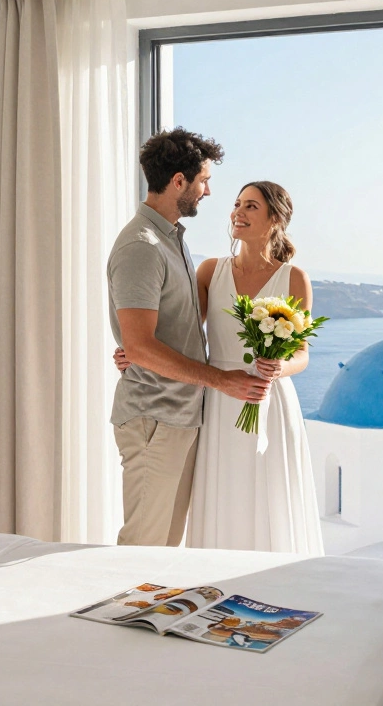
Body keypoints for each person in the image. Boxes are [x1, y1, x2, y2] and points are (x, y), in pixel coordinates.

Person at [116, 182, 324, 555]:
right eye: (237, 204)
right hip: (218, 402)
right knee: (223, 495)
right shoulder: (211, 271)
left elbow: (303, 354)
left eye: (251, 207)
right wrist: (133, 350)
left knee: (268, 498)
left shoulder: (294, 278)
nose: (238, 213)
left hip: (268, 404)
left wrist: (278, 367)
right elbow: (182, 331)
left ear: (274, 220)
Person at [109, 128, 270, 547]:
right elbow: (141, 344)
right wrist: (221, 380)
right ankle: (120, 613)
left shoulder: (172, 241)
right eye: (204, 181)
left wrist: (136, 349)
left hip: (178, 415)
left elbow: (162, 332)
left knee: (164, 547)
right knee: (143, 544)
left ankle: (150, 612)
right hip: (154, 418)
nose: (209, 192)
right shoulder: (142, 246)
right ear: (178, 181)